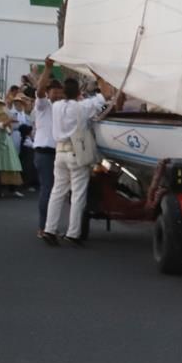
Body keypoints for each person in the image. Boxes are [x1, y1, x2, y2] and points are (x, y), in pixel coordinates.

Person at [43, 75, 119, 245]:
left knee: (57, 192)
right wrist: (100, 77)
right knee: (78, 194)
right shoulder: (83, 106)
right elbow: (106, 95)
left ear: (63, 92)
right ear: (78, 92)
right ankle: (73, 233)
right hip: (77, 152)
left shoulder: (55, 106)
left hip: (59, 152)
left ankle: (49, 229)